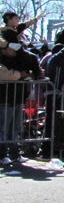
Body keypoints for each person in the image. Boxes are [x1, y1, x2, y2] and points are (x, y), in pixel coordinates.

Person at [0, 37, 41, 165]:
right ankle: (1, 155)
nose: (13, 50)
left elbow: (29, 60)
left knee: (15, 129)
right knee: (2, 129)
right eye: (9, 47)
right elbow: (7, 75)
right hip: (4, 99)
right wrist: (20, 75)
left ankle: (14, 154)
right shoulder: (2, 62)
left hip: (17, 98)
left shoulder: (17, 60)